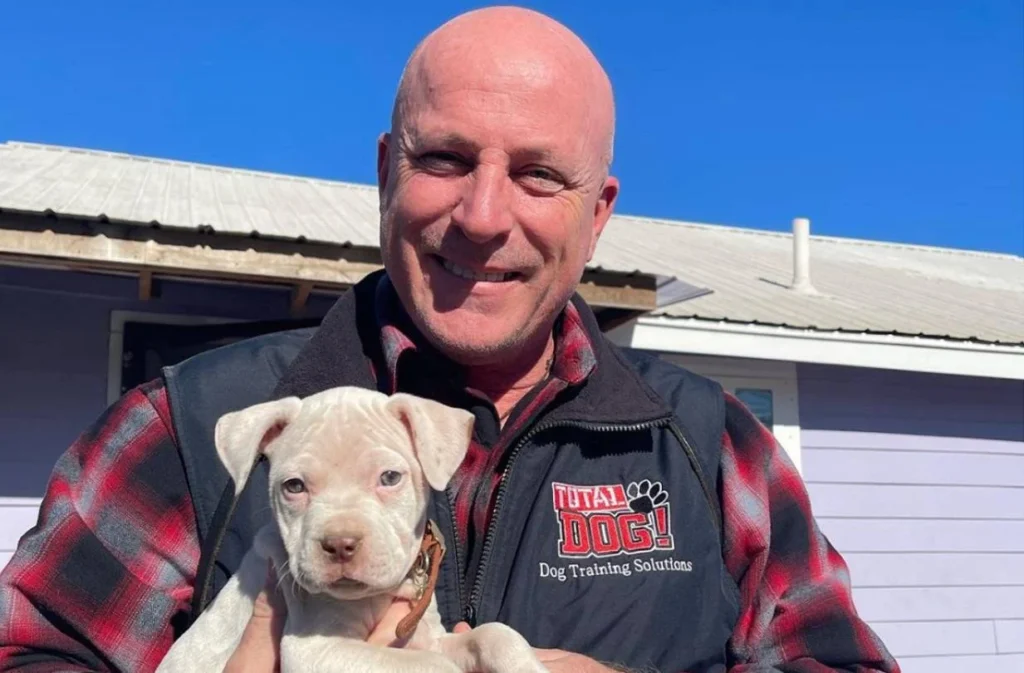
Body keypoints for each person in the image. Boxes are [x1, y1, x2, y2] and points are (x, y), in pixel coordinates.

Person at [0, 6, 901, 673]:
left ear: (598, 214)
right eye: (446, 160)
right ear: (386, 172)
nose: (483, 215)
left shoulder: (708, 445)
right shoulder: (187, 430)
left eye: (539, 174)